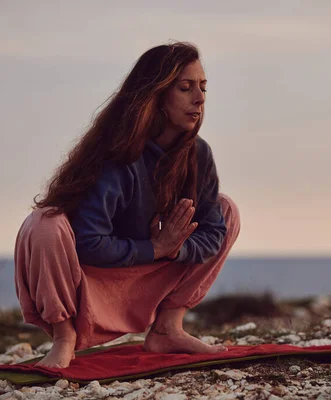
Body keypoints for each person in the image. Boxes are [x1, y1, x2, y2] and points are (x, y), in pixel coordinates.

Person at [13, 42, 241, 368]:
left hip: (146, 278)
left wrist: (172, 249)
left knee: (227, 209)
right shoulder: (116, 154)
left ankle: (167, 328)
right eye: (185, 87)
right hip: (91, 281)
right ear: (157, 94)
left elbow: (214, 232)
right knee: (45, 223)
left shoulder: (198, 155)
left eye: (203, 87)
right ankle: (65, 338)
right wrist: (155, 247)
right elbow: (89, 243)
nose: (200, 99)